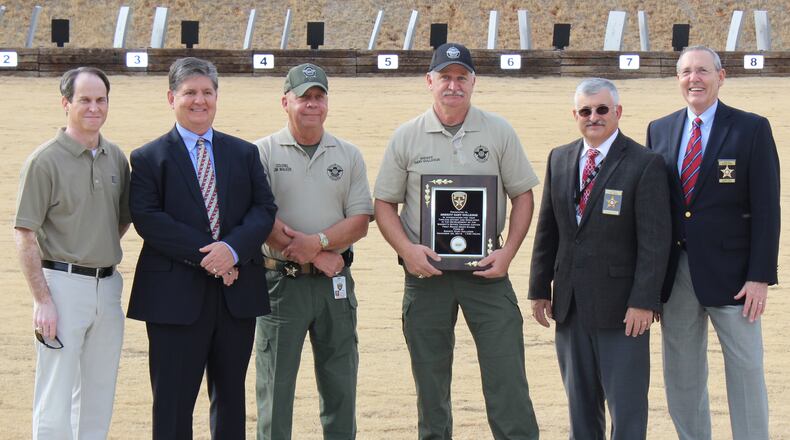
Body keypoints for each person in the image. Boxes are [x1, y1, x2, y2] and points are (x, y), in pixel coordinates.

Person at [373, 42, 540, 440]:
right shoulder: (406, 136)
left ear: (473, 82)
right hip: (426, 275)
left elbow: (524, 196)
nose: (453, 85)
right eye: (445, 77)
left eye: (461, 77)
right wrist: (407, 251)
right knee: (431, 384)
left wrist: (508, 254)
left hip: (487, 272)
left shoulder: (498, 130)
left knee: (507, 377)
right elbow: (383, 205)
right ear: (429, 81)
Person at [127, 57, 277, 439]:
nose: (200, 100)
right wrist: (212, 256)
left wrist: (232, 249)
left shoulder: (243, 153)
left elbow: (264, 210)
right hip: (174, 300)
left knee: (230, 402)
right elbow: (149, 220)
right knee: (173, 404)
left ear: (217, 97)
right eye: (190, 92)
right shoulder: (148, 158)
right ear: (171, 97)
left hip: (235, 295)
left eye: (207, 92)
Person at [645, 45, 780, 440]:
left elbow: (767, 209)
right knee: (682, 376)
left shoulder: (751, 128)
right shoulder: (660, 129)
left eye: (703, 70)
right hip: (678, 277)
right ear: (677, 79)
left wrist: (760, 276)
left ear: (721, 77)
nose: (694, 79)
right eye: (686, 72)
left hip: (735, 278)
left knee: (746, 370)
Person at [528, 78, 671, 439]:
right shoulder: (559, 158)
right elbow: (549, 228)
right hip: (571, 306)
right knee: (580, 407)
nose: (594, 117)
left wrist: (643, 301)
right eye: (585, 111)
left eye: (602, 109)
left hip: (622, 312)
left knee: (626, 411)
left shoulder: (645, 163)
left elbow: (655, 243)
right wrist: (539, 287)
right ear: (575, 115)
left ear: (618, 112)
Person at [252, 62, 372, 440]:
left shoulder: (348, 154)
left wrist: (318, 243)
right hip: (280, 286)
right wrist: (316, 253)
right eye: (304, 98)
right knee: (276, 389)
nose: (312, 105)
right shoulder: (262, 152)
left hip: (334, 287)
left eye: (319, 97)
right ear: (285, 101)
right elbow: (261, 218)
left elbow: (360, 221)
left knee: (340, 384)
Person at [15, 66, 130, 439]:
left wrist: (97, 250)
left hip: (108, 286)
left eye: (101, 100)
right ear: (66, 103)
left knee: (98, 394)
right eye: (84, 100)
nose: (94, 108)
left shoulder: (116, 158)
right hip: (61, 288)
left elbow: (120, 219)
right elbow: (25, 235)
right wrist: (42, 299)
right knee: (55, 395)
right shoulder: (44, 161)